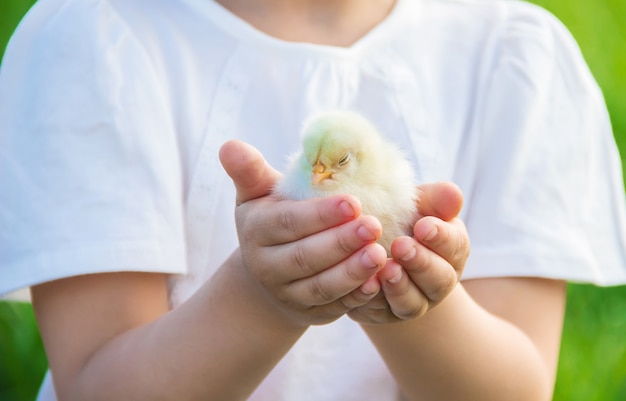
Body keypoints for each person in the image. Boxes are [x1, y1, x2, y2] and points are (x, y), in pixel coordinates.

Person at [1, 0, 625, 400]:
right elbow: (96, 387)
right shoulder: (93, 40)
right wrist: (260, 294)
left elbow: (514, 391)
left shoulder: (514, 57)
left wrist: (413, 300)